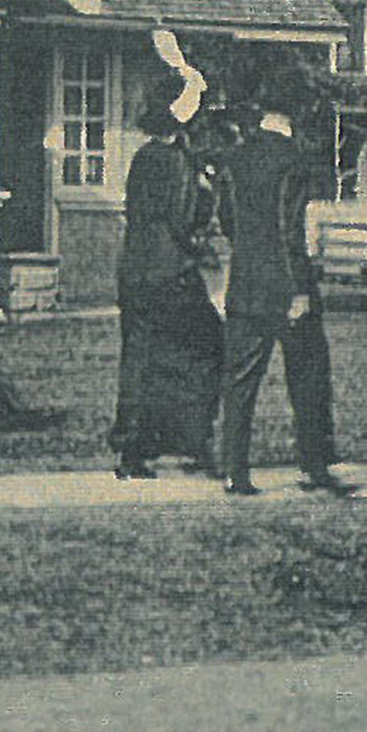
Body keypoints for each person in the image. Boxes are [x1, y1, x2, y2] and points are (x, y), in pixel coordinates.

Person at [214, 73, 351, 498]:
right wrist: (298, 290)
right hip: (286, 286)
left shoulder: (233, 159)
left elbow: (228, 222)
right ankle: (314, 465)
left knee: (240, 383)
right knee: (308, 378)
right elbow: (292, 229)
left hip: (245, 282)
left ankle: (234, 471)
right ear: (298, 114)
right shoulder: (295, 160)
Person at [110, 69, 224, 479]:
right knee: (207, 349)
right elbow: (181, 218)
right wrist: (205, 209)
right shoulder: (177, 162)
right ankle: (197, 441)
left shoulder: (143, 157)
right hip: (170, 270)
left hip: (135, 269)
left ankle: (133, 448)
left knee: (140, 357)